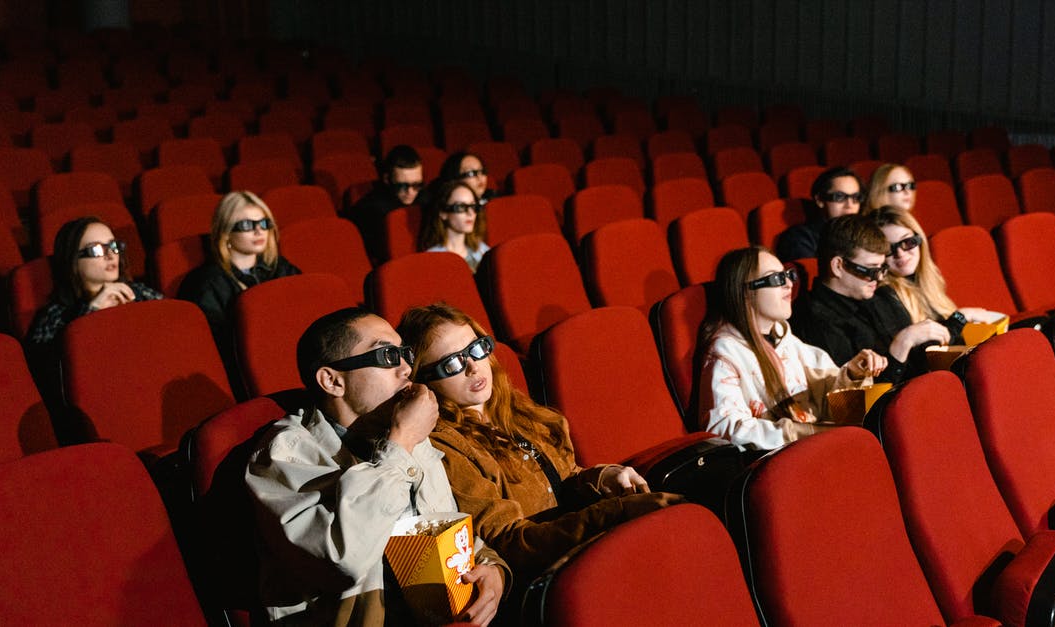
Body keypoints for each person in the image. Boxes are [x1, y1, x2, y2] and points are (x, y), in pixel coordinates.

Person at [245, 307, 508, 626]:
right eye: (386, 356)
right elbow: (344, 560)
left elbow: (445, 526)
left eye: (404, 354)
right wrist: (400, 444)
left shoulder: (404, 432)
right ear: (332, 381)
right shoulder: (283, 455)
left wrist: (492, 569)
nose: (407, 369)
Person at [396, 303, 682, 589]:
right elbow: (510, 542)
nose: (473, 367)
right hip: (552, 580)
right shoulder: (444, 443)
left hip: (587, 551)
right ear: (425, 381)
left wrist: (602, 476)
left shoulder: (509, 405)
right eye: (452, 364)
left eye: (475, 349)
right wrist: (616, 513)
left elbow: (563, 479)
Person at [696, 247, 887, 451]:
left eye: (788, 275)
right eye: (776, 279)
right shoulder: (726, 352)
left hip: (816, 450)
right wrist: (800, 433)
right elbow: (724, 428)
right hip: (780, 463)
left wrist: (853, 374)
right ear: (744, 292)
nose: (789, 284)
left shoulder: (784, 338)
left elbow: (836, 409)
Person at [791, 214, 952, 383]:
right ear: (838, 266)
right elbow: (854, 400)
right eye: (871, 270)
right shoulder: (816, 322)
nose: (880, 278)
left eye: (882, 268)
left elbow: (922, 360)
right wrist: (902, 344)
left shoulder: (879, 295)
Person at [178, 191, 299, 384]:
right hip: (241, 372)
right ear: (225, 233)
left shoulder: (282, 267)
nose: (259, 231)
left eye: (264, 223)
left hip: (289, 356)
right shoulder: (206, 282)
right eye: (246, 225)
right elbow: (214, 346)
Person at [27, 216, 161, 347]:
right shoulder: (56, 315)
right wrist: (92, 311)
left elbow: (171, 325)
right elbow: (46, 362)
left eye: (113, 245)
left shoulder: (139, 292)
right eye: (96, 250)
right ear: (73, 260)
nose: (111, 255)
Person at [867, 205, 1003, 326]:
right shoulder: (885, 295)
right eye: (888, 249)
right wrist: (961, 317)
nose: (900, 254)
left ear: (919, 240)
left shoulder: (929, 278)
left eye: (907, 242)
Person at [345, 145, 424, 260]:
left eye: (417, 185)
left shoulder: (426, 198)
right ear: (387, 179)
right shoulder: (369, 210)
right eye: (402, 186)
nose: (410, 192)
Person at [777, 166, 863, 261]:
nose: (849, 205)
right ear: (820, 200)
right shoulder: (800, 238)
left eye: (856, 197)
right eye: (839, 197)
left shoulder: (862, 234)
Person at [418, 180, 490, 272]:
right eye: (461, 207)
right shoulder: (432, 258)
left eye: (473, 206)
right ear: (443, 213)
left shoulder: (481, 249)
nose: (470, 213)